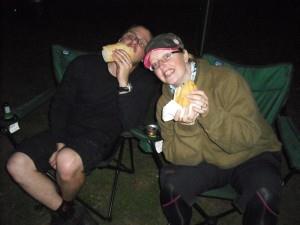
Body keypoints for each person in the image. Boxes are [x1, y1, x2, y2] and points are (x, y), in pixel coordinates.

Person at [6, 25, 160, 225]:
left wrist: (123, 83)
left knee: (67, 162)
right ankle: (66, 211)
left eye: (141, 43)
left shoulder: (144, 82)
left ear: (143, 57)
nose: (133, 42)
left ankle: (64, 203)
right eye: (130, 36)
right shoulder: (84, 64)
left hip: (100, 138)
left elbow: (130, 124)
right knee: (16, 165)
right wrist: (60, 142)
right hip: (65, 130)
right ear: (119, 38)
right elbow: (60, 105)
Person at [143, 33, 282, 225]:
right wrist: (186, 128)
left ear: (185, 55)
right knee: (172, 187)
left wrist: (210, 113)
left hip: (252, 154)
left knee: (265, 192)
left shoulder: (225, 79)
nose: (162, 66)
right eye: (155, 64)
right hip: (209, 160)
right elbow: (176, 156)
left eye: (167, 56)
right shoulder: (165, 105)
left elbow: (248, 136)